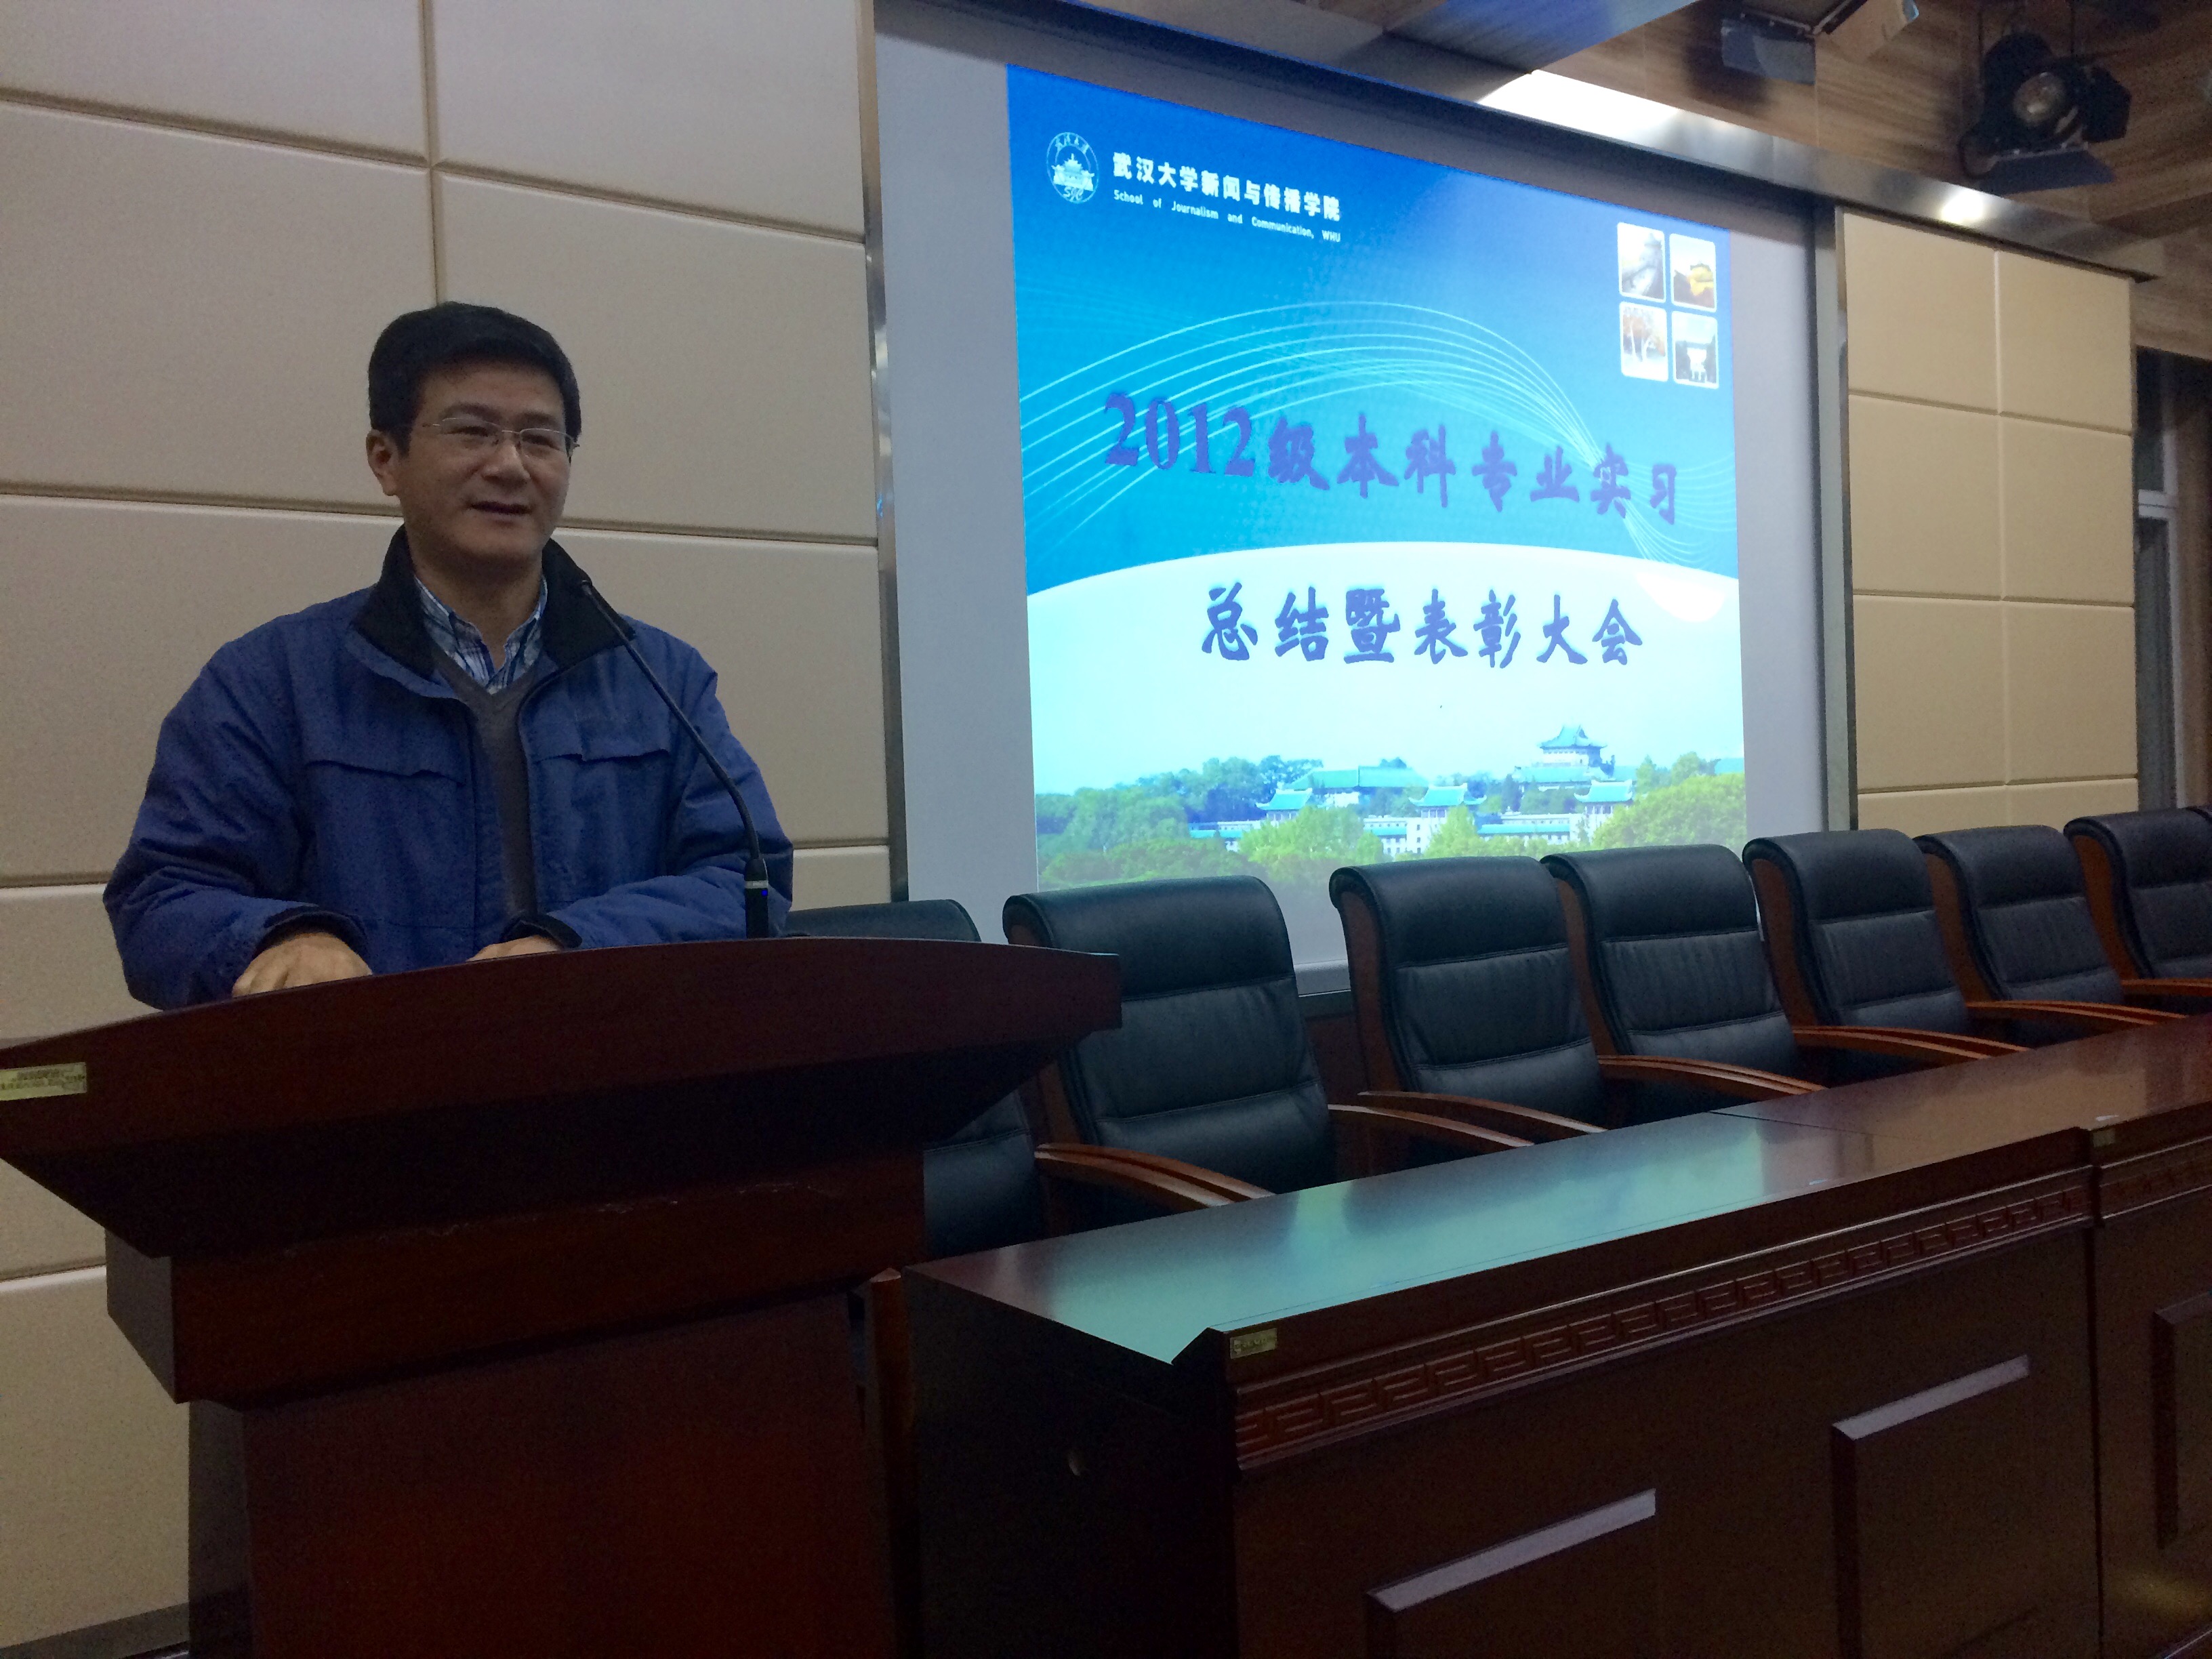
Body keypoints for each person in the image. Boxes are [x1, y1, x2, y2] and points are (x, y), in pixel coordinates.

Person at [106, 302, 792, 1008]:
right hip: (372, 1069)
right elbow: (162, 896)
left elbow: (745, 880)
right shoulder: (269, 682)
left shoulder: (661, 677)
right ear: (386, 459)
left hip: (607, 1061)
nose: (510, 465)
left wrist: (577, 947)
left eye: (540, 439)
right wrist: (281, 936)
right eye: (472, 432)